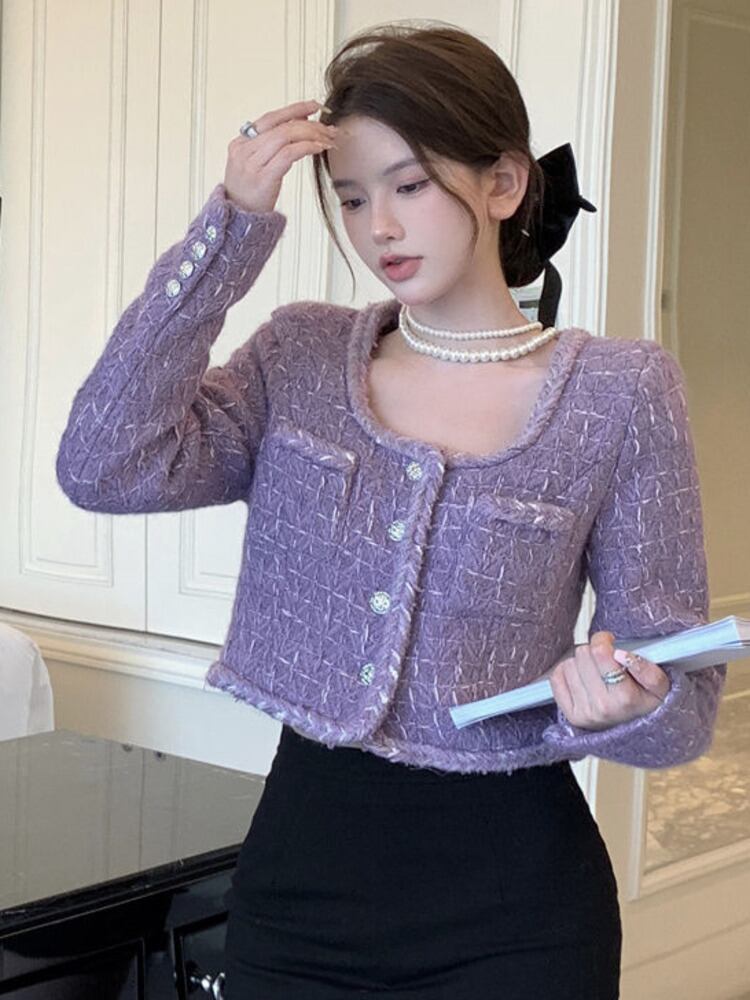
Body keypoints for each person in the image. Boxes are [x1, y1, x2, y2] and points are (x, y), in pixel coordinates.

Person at [55, 20, 727, 1000]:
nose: (379, 228)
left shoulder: (621, 394)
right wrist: (230, 227)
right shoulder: (299, 358)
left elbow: (682, 715)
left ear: (503, 183)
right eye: (353, 196)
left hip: (520, 914)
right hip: (300, 900)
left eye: (409, 186)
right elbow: (104, 465)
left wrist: (633, 702)